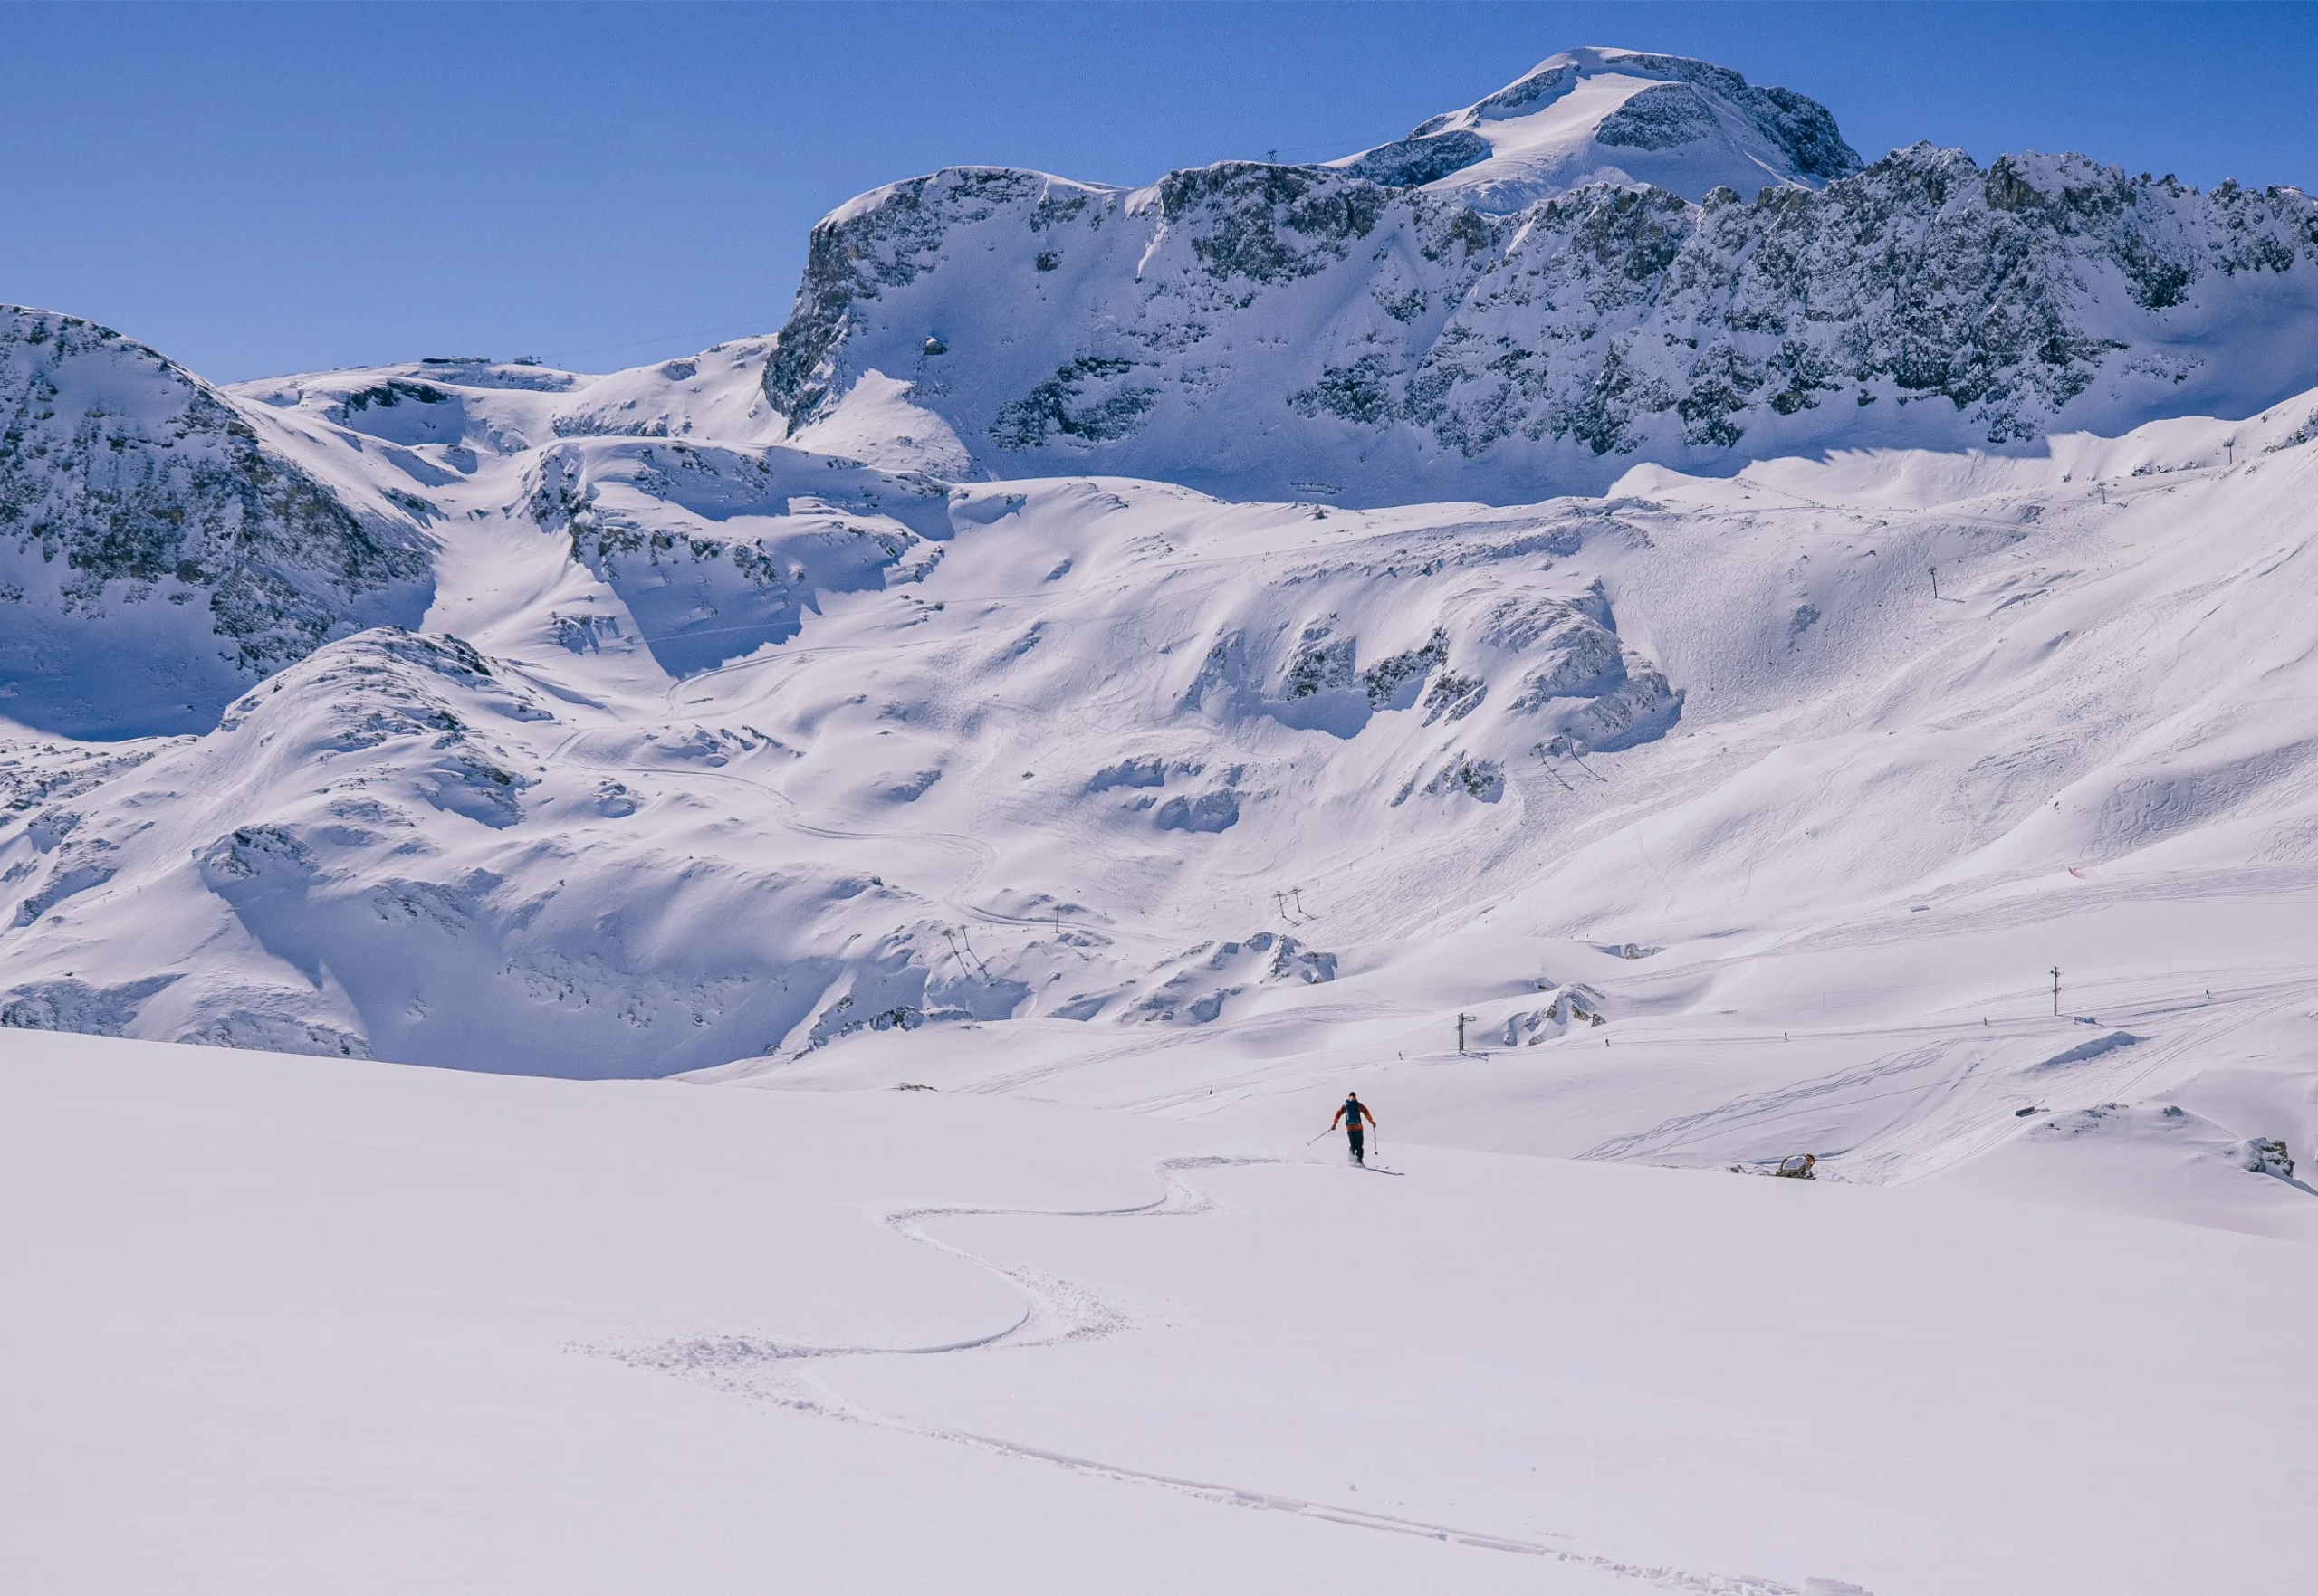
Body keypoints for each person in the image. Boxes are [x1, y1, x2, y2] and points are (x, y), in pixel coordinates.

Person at [1329, 1092, 1377, 1165]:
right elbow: (1366, 1113)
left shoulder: (1345, 1105)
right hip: (1358, 1128)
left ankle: (1351, 1160)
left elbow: (1338, 1113)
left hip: (1349, 1128)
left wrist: (1335, 1123)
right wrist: (1372, 1122)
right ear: (1355, 1097)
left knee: (1353, 1145)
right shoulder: (1358, 1105)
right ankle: (1359, 1161)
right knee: (1359, 1146)